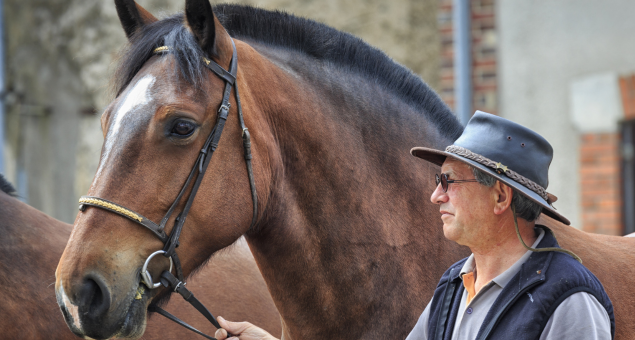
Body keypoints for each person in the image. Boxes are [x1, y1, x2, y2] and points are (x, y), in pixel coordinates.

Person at [215, 111, 614, 340]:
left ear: (500, 198)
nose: (435, 197)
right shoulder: (454, 286)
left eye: (448, 181)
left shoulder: (569, 300)